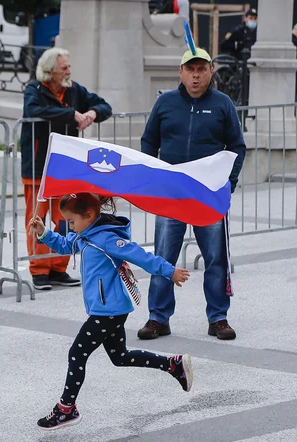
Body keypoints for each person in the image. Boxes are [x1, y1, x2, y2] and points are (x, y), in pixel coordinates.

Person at [28, 193, 193, 431]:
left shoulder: (106, 239)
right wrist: (44, 232)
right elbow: (65, 245)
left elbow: (140, 255)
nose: (70, 226)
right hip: (107, 309)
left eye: (71, 221)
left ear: (89, 215)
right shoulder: (84, 235)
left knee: (77, 353)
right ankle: (173, 365)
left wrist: (169, 271)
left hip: (109, 311)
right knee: (120, 356)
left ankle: (66, 409)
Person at [139, 48, 246, 341]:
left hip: (207, 194)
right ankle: (158, 318)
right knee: (163, 256)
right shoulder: (165, 103)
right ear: (181, 72)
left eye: (201, 69)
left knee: (215, 258)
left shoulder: (223, 104)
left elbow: (237, 147)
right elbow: (149, 142)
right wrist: (153, 180)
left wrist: (228, 183)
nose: (196, 75)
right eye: (190, 69)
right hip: (171, 193)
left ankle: (218, 318)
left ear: (211, 71)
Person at [21, 47, 112, 291]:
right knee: (37, 218)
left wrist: (92, 112)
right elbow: (33, 111)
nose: (69, 71)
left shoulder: (75, 89)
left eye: (69, 66)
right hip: (38, 166)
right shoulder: (34, 89)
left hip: (66, 167)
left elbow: (105, 106)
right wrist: (71, 114)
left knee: (65, 219)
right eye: (64, 68)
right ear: (50, 71)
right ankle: (39, 269)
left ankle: (59, 268)